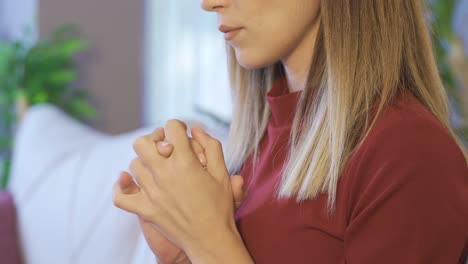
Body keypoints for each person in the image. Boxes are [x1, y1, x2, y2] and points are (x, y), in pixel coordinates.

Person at [113, 1, 468, 263]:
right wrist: (183, 253)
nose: (209, 4)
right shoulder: (258, 148)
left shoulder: (408, 151)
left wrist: (209, 241)